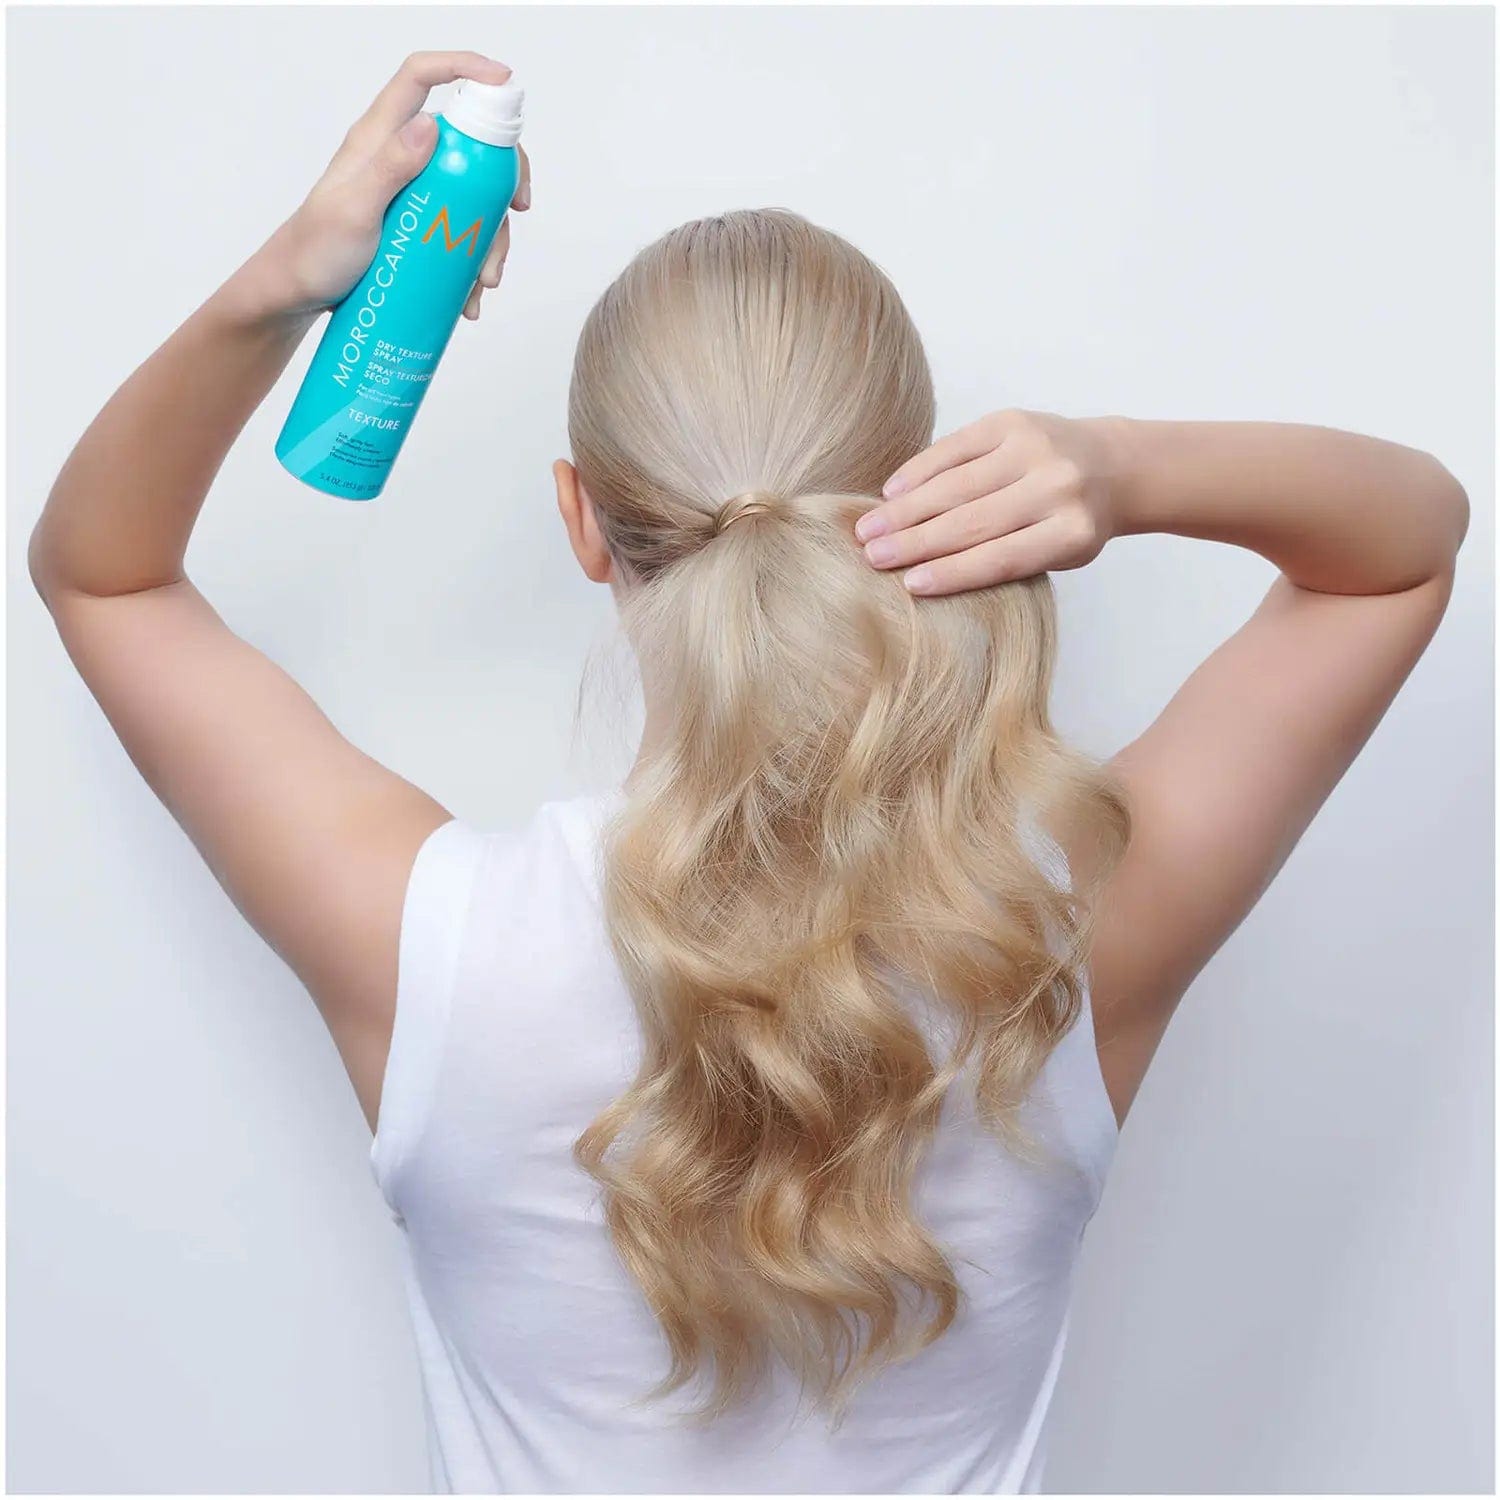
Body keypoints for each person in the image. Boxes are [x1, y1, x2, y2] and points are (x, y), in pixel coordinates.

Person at [30, 51, 1468, 1496]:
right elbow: (1399, 554)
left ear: (583, 522)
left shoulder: (432, 944)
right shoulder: (1064, 941)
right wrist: (1122, 469)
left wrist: (285, 285)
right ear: (913, 503)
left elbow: (104, 576)